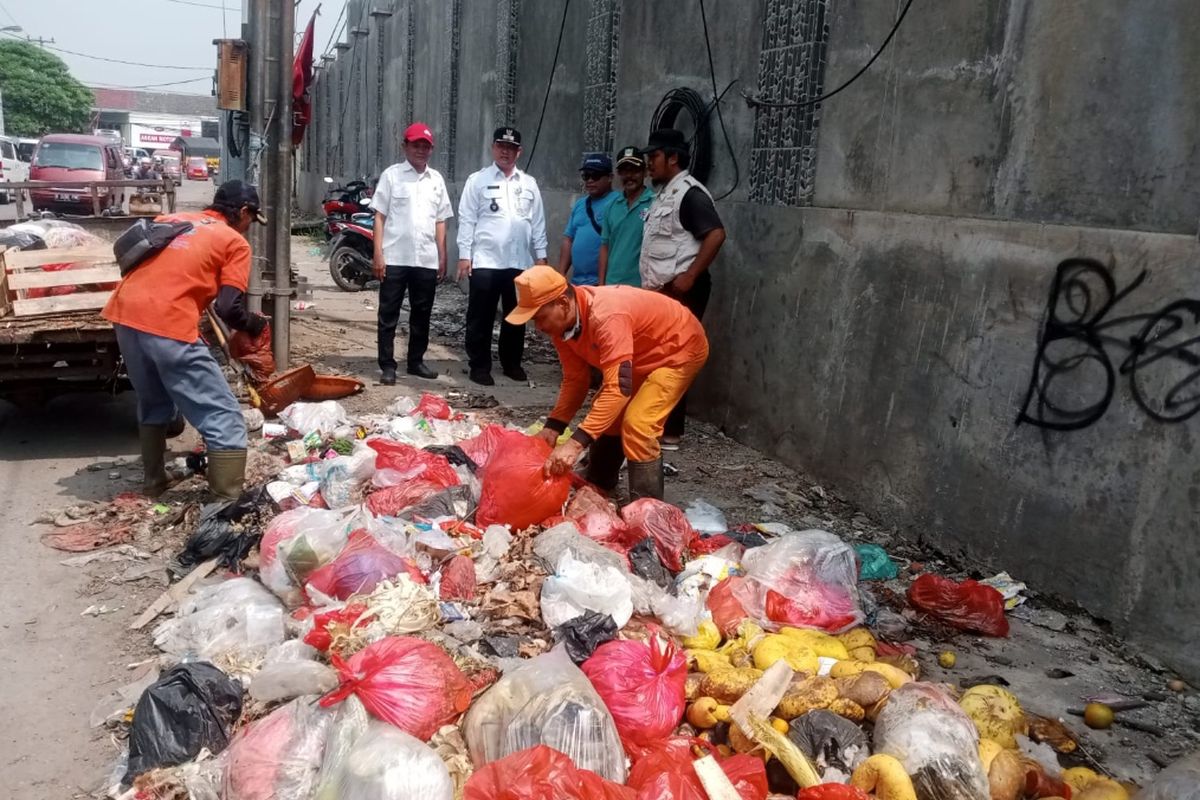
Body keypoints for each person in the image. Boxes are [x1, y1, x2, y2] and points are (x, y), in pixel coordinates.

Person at [102, 180, 268, 500]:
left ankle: (155, 481)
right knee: (226, 419)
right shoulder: (233, 242)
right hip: (167, 324)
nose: (249, 227)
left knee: (154, 401)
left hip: (124, 316)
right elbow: (228, 308)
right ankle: (225, 504)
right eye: (251, 219)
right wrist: (254, 323)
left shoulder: (173, 219)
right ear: (244, 212)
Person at [510, 266, 709, 500]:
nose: (539, 328)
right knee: (608, 413)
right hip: (641, 352)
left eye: (539, 318)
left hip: (678, 348)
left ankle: (648, 510)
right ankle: (600, 483)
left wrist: (575, 444)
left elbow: (618, 390)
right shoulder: (563, 328)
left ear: (563, 303)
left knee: (639, 425)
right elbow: (576, 380)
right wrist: (554, 427)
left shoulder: (606, 316)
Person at [638, 128, 726, 449]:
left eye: (654, 157)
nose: (649, 163)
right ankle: (656, 423)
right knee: (657, 358)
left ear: (673, 158)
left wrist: (690, 275)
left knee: (674, 359)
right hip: (662, 291)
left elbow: (716, 234)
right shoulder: (665, 193)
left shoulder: (690, 193)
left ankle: (671, 431)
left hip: (683, 290)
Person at [456, 127, 548, 386]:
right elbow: (467, 218)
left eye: (511, 148)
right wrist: (465, 255)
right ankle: (479, 365)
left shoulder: (528, 184)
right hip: (485, 260)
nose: (505, 152)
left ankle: (512, 363)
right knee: (481, 316)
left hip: (519, 262)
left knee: (516, 316)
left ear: (519, 152)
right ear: (493, 148)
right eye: (501, 146)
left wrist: (541, 257)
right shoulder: (478, 180)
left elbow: (537, 222)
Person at [370, 122, 453, 384]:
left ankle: (416, 361)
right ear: (404, 146)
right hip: (395, 257)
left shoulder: (436, 180)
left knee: (422, 313)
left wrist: (442, 254)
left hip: (425, 260)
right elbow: (380, 216)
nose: (421, 150)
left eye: (425, 146)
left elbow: (441, 220)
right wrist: (378, 254)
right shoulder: (392, 176)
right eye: (416, 145)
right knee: (388, 314)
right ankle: (387, 365)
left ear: (431, 150)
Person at [557, 153, 618, 286]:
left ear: (610, 177)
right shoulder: (580, 204)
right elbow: (568, 239)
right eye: (586, 176)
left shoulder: (618, 203)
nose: (590, 180)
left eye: (595, 175)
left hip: (603, 283)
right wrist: (560, 275)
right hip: (577, 283)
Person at [598, 145, 654, 287]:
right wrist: (601, 285)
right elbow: (605, 247)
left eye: (634, 171)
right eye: (624, 171)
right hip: (612, 285)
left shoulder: (656, 204)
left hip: (641, 288)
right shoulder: (611, 206)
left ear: (645, 172)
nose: (629, 176)